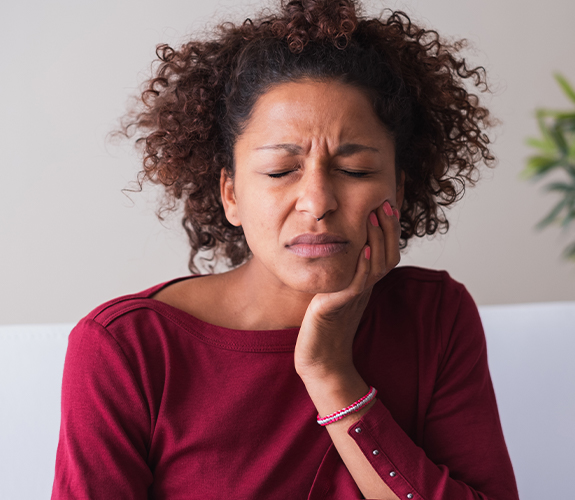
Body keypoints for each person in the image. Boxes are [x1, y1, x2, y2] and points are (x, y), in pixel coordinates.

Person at [51, 0, 520, 498]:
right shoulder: (128, 349)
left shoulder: (434, 316)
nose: (317, 203)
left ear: (399, 192)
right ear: (231, 194)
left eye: (355, 170)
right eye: (280, 171)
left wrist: (330, 372)